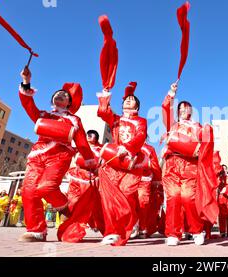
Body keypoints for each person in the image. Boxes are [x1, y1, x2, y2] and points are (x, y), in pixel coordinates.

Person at [18, 67, 95, 242]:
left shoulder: (74, 120)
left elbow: (82, 142)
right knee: (29, 191)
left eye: (64, 95)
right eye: (57, 94)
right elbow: (28, 105)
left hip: (59, 156)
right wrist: (26, 82)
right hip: (37, 156)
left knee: (46, 187)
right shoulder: (44, 115)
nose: (60, 95)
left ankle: (64, 208)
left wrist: (91, 161)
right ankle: (37, 230)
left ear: (69, 102)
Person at [161, 82, 218, 246]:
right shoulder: (172, 125)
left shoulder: (197, 127)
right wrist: (171, 92)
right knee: (173, 198)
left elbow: (205, 145)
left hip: (190, 165)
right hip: (172, 163)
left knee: (187, 198)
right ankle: (173, 233)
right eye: (181, 108)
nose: (184, 110)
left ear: (191, 111)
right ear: (177, 111)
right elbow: (165, 108)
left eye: (187, 108)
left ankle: (196, 230)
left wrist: (208, 134)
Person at [96, 82, 147, 246]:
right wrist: (105, 95)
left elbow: (140, 136)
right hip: (113, 161)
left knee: (125, 195)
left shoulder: (141, 121)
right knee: (109, 197)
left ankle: (128, 225)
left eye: (132, 100)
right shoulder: (116, 119)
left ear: (137, 106)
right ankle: (112, 232)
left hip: (130, 163)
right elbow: (103, 112)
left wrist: (128, 148)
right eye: (126, 99)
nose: (128, 100)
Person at [57, 130, 105, 242]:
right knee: (72, 204)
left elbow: (104, 163)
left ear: (96, 137)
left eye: (91, 134)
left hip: (91, 181)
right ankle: (67, 229)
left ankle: (104, 228)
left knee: (94, 206)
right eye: (87, 134)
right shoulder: (80, 147)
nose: (88, 136)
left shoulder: (100, 149)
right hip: (76, 177)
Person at [217, 165, 228, 238]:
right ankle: (222, 232)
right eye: (222, 169)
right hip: (221, 197)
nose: (224, 170)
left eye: (225, 169)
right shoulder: (218, 178)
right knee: (221, 215)